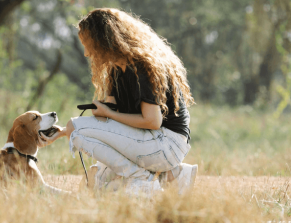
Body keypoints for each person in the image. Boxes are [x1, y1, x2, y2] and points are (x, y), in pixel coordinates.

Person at [43, 8, 198, 195]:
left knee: (77, 128)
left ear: (104, 41)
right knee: (98, 180)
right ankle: (173, 176)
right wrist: (63, 132)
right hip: (149, 140)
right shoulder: (116, 71)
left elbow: (152, 121)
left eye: (88, 45)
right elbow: (110, 123)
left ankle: (146, 180)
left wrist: (105, 114)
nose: (86, 53)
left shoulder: (143, 67)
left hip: (167, 144)